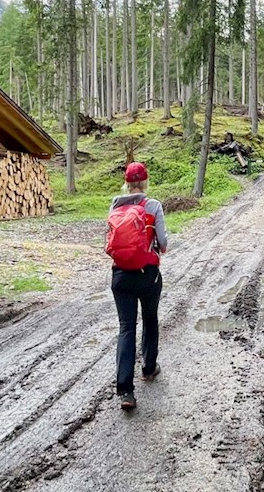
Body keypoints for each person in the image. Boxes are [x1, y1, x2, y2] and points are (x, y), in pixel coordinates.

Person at [106, 161, 167, 410]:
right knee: (150, 319)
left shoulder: (115, 204)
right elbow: (163, 242)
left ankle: (126, 392)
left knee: (126, 328)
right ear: (145, 182)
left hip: (120, 275)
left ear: (127, 183)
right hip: (147, 274)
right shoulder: (153, 206)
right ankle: (149, 368)